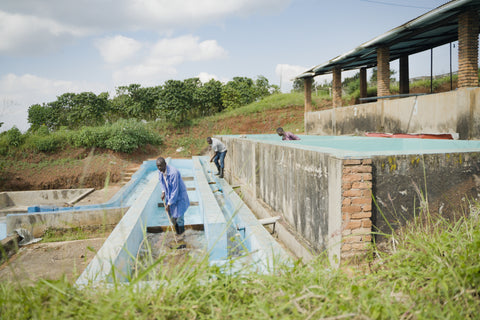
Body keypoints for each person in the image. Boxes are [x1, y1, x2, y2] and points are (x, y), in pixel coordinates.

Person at [156, 157, 190, 238]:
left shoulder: (173, 173)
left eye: (161, 166)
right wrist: (163, 192)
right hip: (169, 196)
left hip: (179, 197)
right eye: (158, 166)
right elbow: (161, 182)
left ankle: (182, 236)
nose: (159, 168)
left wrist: (169, 204)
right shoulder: (160, 171)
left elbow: (175, 190)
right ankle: (178, 233)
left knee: (179, 218)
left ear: (165, 164)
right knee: (172, 217)